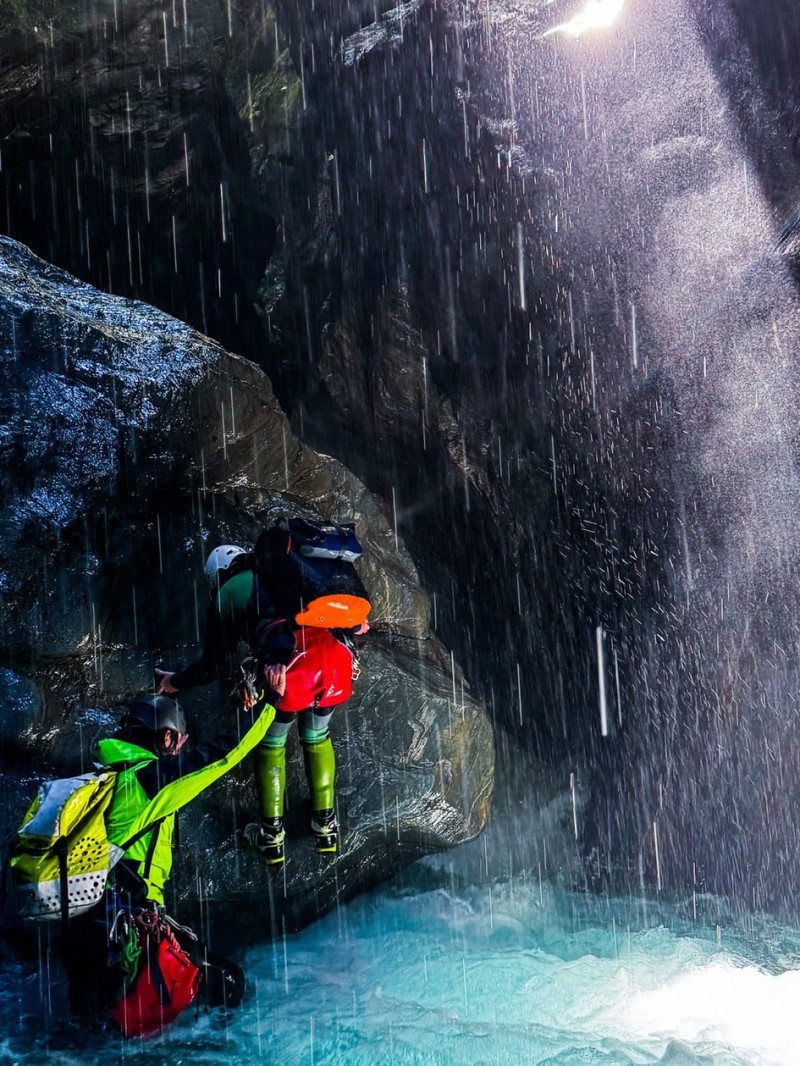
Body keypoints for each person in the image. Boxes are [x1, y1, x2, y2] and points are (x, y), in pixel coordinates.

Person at [61, 691, 274, 1022]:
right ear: (168, 736)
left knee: (93, 1022)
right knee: (227, 981)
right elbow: (224, 755)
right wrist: (271, 702)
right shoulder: (150, 779)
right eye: (179, 743)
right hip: (125, 925)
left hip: (79, 921)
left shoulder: (101, 774)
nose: (179, 751)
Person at [156, 534, 368, 865]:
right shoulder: (290, 573)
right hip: (336, 662)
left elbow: (211, 667)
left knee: (272, 744)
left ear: (218, 575)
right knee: (317, 737)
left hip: (292, 671)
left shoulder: (229, 592)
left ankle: (272, 837)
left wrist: (175, 681)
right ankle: (326, 828)